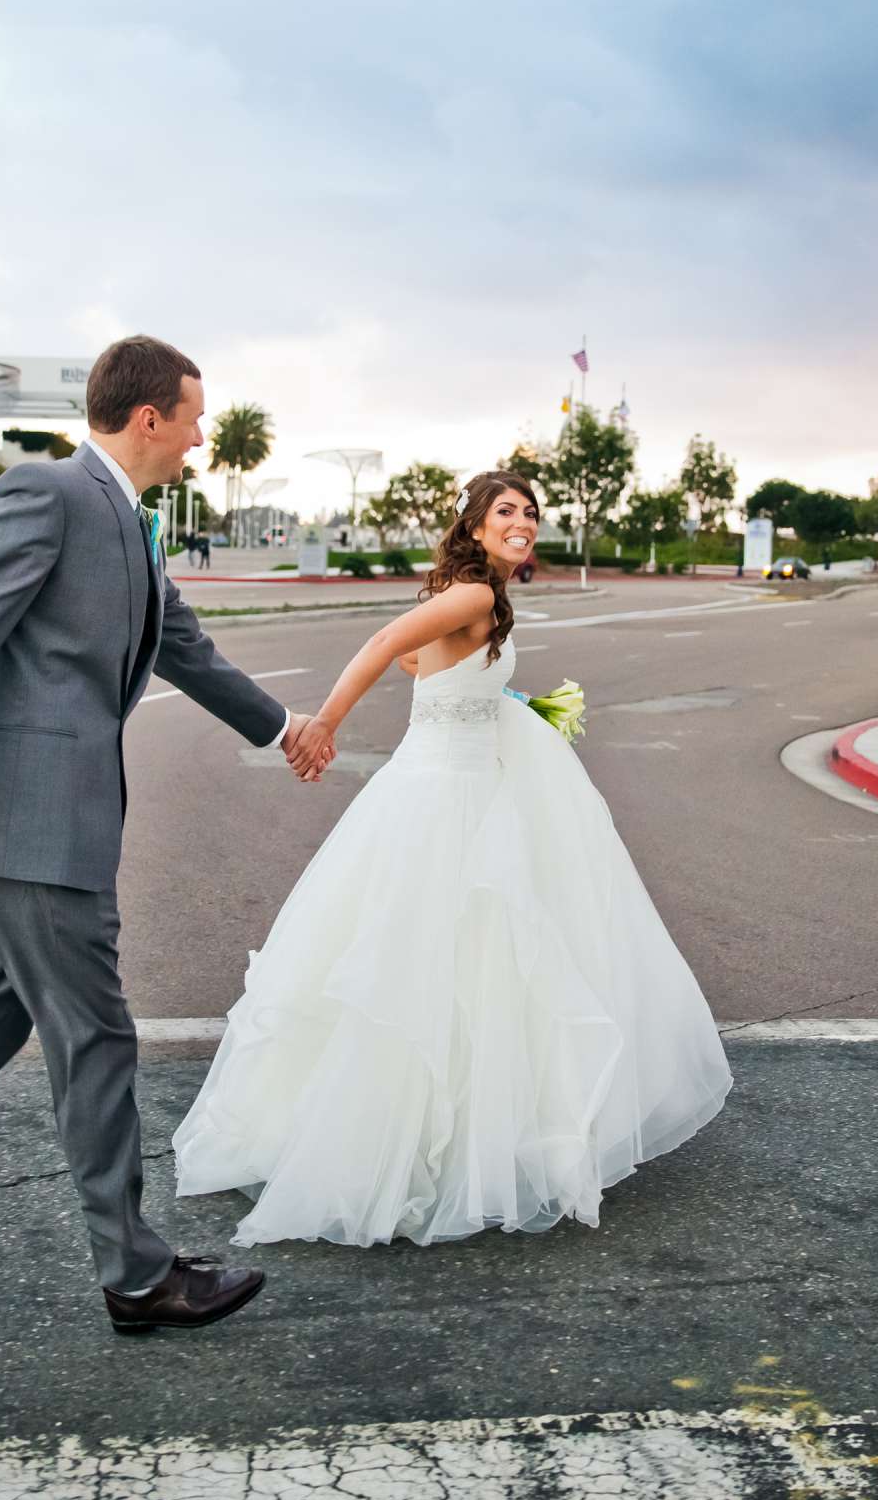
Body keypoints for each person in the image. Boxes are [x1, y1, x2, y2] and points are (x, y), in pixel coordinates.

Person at [0, 335, 323, 1334]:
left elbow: (183, 647)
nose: (201, 435)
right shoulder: (47, 495)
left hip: (33, 829)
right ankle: (138, 1276)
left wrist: (281, 728)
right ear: (148, 419)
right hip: (38, 826)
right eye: (194, 416)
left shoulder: (129, 522)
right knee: (95, 1040)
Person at [173, 469, 730, 1247]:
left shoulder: (483, 600)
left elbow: (427, 668)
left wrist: (497, 703)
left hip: (458, 789)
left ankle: (441, 1138)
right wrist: (323, 725)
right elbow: (384, 645)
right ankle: (421, 1148)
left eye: (531, 511)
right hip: (444, 800)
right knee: (449, 971)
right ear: (474, 528)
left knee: (450, 973)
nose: (524, 520)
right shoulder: (473, 597)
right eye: (506, 510)